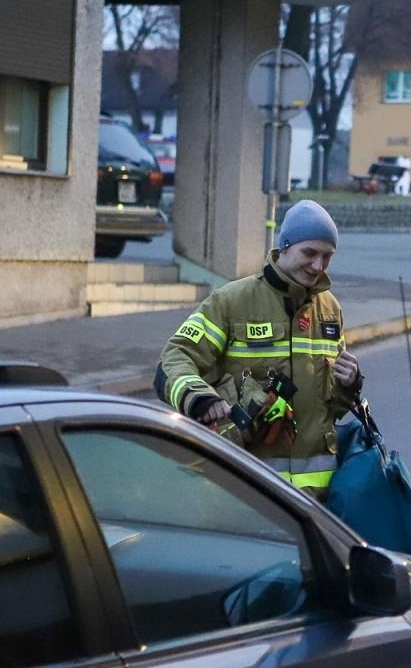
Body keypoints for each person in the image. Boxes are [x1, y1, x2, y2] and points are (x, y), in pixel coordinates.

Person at [154, 199, 362, 496]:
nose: (318, 265)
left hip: (314, 503)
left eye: (327, 256)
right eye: (310, 253)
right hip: (248, 491)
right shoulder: (232, 301)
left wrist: (349, 383)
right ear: (285, 247)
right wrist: (199, 399)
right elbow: (174, 358)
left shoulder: (329, 309)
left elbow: (328, 410)